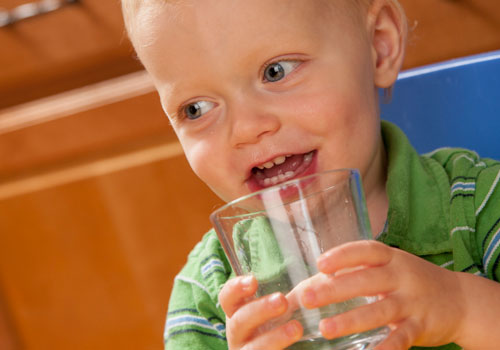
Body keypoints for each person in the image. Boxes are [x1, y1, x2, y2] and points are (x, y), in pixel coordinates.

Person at [121, 0, 500, 349]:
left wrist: (464, 307)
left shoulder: (478, 202)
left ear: (379, 46)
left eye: (276, 71)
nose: (247, 128)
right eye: (196, 109)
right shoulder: (209, 295)